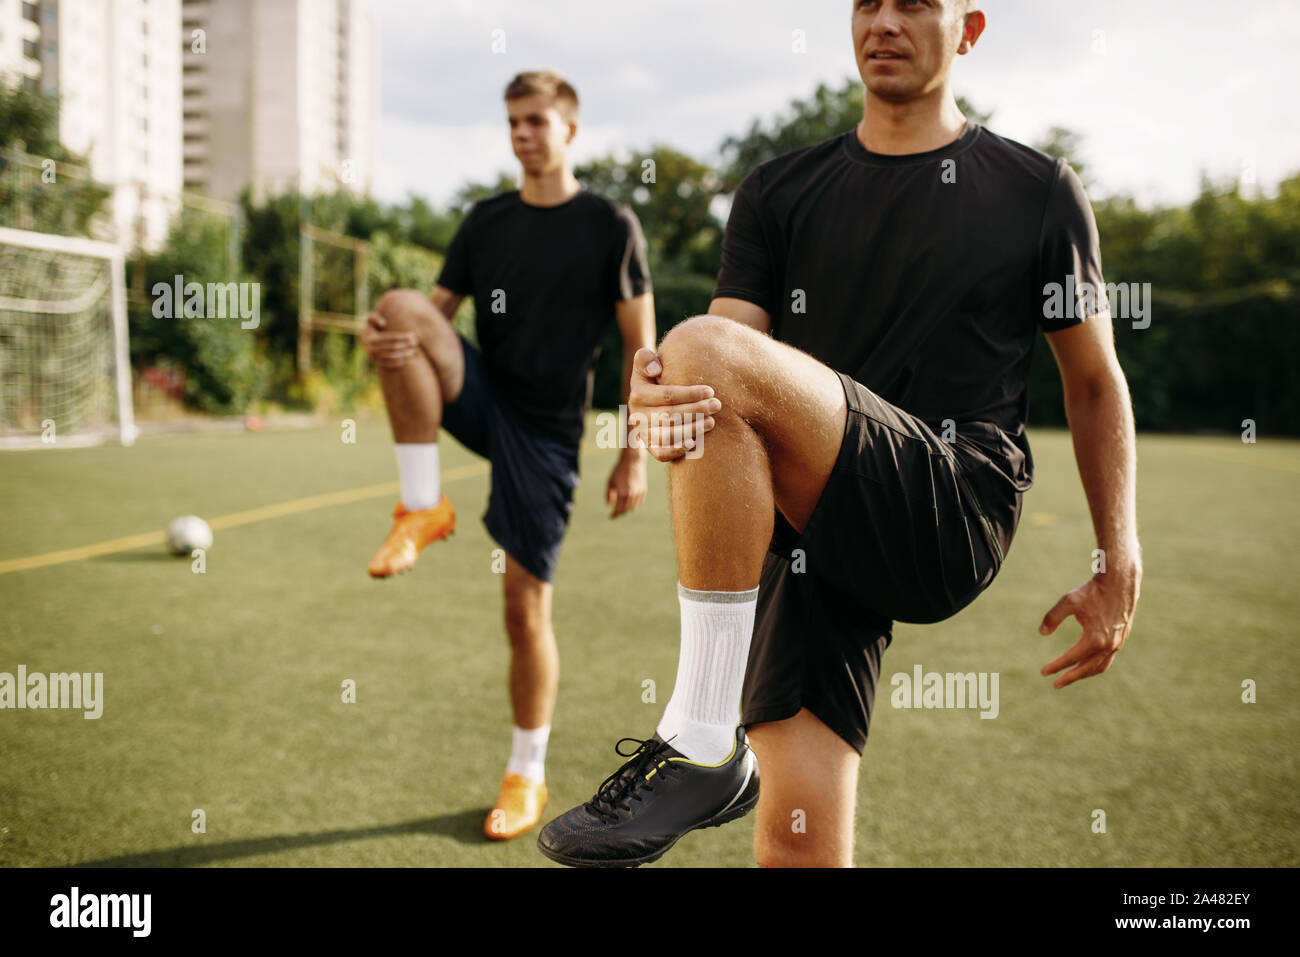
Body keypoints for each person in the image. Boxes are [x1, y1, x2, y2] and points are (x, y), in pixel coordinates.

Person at [538, 0, 1141, 867]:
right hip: (809, 520)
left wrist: (1117, 555)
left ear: (968, 28)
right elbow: (719, 366)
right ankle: (715, 751)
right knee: (797, 846)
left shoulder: (1037, 189)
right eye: (867, 3)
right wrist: (663, 397)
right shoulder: (779, 190)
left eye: (914, 3)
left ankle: (702, 739)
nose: (885, 21)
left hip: (950, 501)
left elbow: (1093, 381)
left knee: (701, 348)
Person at [361, 71, 656, 842]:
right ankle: (422, 503)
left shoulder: (610, 224)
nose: (522, 134)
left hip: (551, 433)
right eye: (513, 123)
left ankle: (526, 770)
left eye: (535, 121)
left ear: (570, 130)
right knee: (398, 306)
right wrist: (388, 341)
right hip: (485, 395)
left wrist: (634, 457)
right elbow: (433, 320)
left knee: (524, 607)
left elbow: (640, 351)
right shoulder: (485, 221)